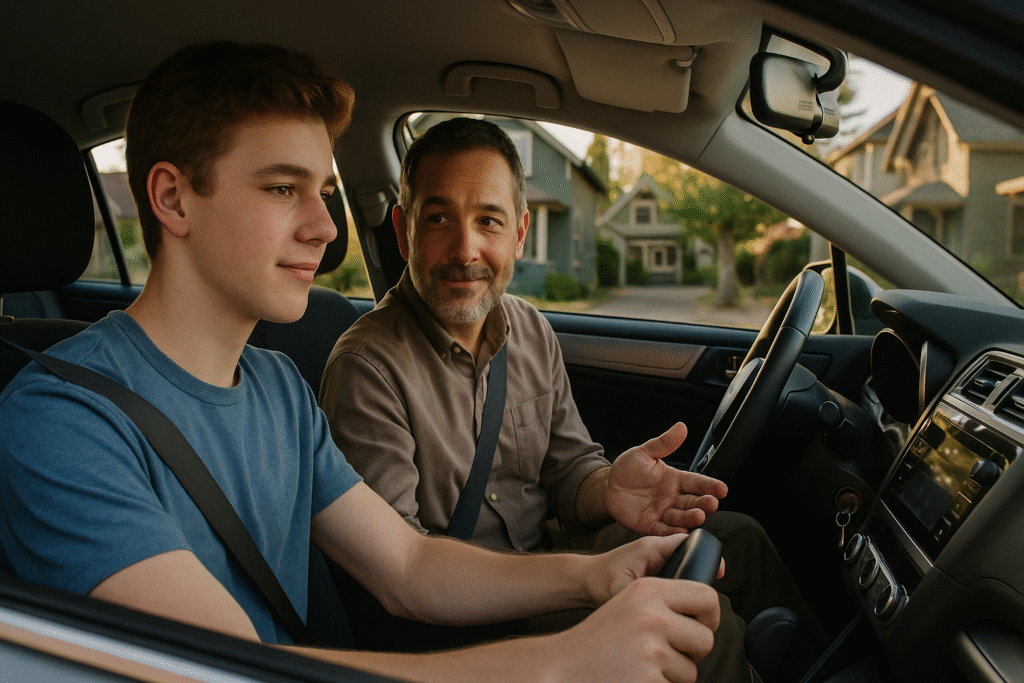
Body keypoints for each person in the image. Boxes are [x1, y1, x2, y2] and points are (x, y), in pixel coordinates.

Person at [0, 42, 722, 683]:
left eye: (322, 191)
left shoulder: (277, 386)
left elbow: (407, 565)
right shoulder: (60, 420)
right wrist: (563, 662)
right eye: (283, 188)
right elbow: (219, 667)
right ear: (172, 198)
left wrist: (596, 574)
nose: (324, 226)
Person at [318, 116, 829, 682]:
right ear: (403, 231)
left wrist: (605, 487)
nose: (466, 248)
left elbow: (569, 474)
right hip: (463, 618)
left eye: (489, 220)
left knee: (740, 541)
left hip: (549, 555)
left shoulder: (530, 331)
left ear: (518, 232)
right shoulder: (367, 370)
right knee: (704, 628)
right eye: (438, 219)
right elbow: (400, 571)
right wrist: (583, 575)